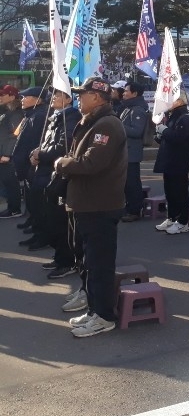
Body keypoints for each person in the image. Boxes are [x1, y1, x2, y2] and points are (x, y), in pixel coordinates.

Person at [54, 77, 127, 338]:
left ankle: (104, 316)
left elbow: (89, 164)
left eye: (82, 94)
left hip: (99, 205)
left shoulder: (106, 125)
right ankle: (95, 309)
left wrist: (61, 163)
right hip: (85, 204)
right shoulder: (92, 122)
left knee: (100, 264)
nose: (78, 98)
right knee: (87, 262)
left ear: (97, 97)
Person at [31, 88, 81, 278]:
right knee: (51, 219)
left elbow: (63, 148)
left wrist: (40, 155)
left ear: (68, 99)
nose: (51, 99)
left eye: (57, 95)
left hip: (59, 176)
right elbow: (46, 143)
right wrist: (35, 153)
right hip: (47, 173)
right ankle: (60, 257)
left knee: (62, 223)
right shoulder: (56, 117)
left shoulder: (71, 119)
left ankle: (68, 261)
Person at [152, 95, 189, 234]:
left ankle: (183, 221)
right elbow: (169, 138)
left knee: (180, 192)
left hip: (179, 160)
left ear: (180, 101)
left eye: (171, 99)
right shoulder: (172, 116)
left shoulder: (185, 118)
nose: (167, 103)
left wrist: (164, 130)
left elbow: (179, 138)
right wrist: (160, 135)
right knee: (170, 192)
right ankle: (172, 217)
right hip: (169, 159)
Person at [12, 87, 48, 246]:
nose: (22, 99)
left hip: (32, 165)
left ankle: (42, 236)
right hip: (27, 165)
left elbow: (32, 143)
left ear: (38, 100)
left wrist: (26, 162)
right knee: (32, 201)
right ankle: (36, 227)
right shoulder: (31, 115)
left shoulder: (39, 116)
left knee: (38, 204)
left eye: (26, 97)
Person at [118, 82, 149, 222]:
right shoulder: (128, 108)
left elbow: (137, 131)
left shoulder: (138, 110)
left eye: (126, 91)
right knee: (126, 183)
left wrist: (119, 125)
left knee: (132, 183)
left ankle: (135, 210)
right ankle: (129, 207)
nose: (123, 93)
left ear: (135, 93)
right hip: (125, 152)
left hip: (132, 153)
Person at [0, 85, 25, 218]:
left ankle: (14, 209)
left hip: (7, 156)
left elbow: (15, 135)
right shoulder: (6, 111)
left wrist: (7, 154)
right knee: (6, 183)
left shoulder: (16, 114)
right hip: (3, 154)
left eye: (3, 94)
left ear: (12, 96)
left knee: (10, 183)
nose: (0, 97)